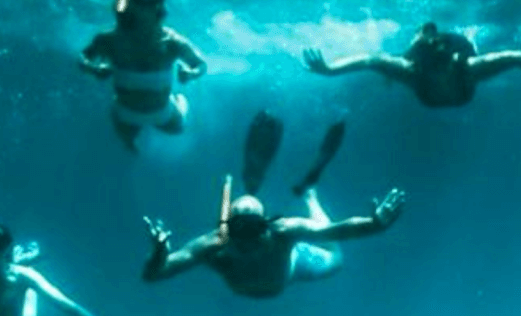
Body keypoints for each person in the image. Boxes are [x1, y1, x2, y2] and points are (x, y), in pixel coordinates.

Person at [142, 113, 406, 298]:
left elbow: (334, 231)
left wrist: (374, 224)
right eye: (240, 228)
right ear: (228, 227)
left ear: (266, 224)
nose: (246, 238)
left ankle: (311, 197)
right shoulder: (215, 243)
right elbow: (154, 275)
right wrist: (159, 256)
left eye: (253, 228)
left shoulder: (282, 232)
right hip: (263, 278)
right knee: (216, 256)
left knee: (336, 258)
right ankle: (260, 186)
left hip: (292, 267)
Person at [302, 22, 521, 108]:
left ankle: (462, 35)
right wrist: (329, 70)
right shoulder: (412, 71)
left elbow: (517, 56)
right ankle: (423, 36)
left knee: (466, 46)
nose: (438, 69)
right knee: (394, 62)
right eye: (434, 64)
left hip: (457, 86)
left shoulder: (466, 65)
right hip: (442, 90)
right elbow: (370, 59)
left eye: (441, 62)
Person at [78, 0, 209, 151]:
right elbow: (83, 58)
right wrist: (92, 68)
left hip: (158, 112)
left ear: (158, 8)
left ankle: (179, 100)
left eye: (148, 1)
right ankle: (130, 141)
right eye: (138, 1)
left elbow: (201, 65)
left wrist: (191, 74)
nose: (143, 7)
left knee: (178, 130)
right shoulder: (109, 39)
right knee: (128, 140)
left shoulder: (171, 41)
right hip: (127, 112)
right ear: (128, 5)